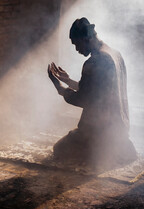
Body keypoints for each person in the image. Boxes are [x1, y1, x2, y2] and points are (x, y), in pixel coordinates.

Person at [47, 17, 137, 169]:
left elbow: (84, 99)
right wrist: (68, 81)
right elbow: (97, 91)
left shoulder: (94, 62)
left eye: (77, 44)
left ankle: (98, 152)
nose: (77, 49)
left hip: (100, 132)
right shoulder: (115, 54)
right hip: (119, 129)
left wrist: (60, 88)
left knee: (59, 150)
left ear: (86, 39)